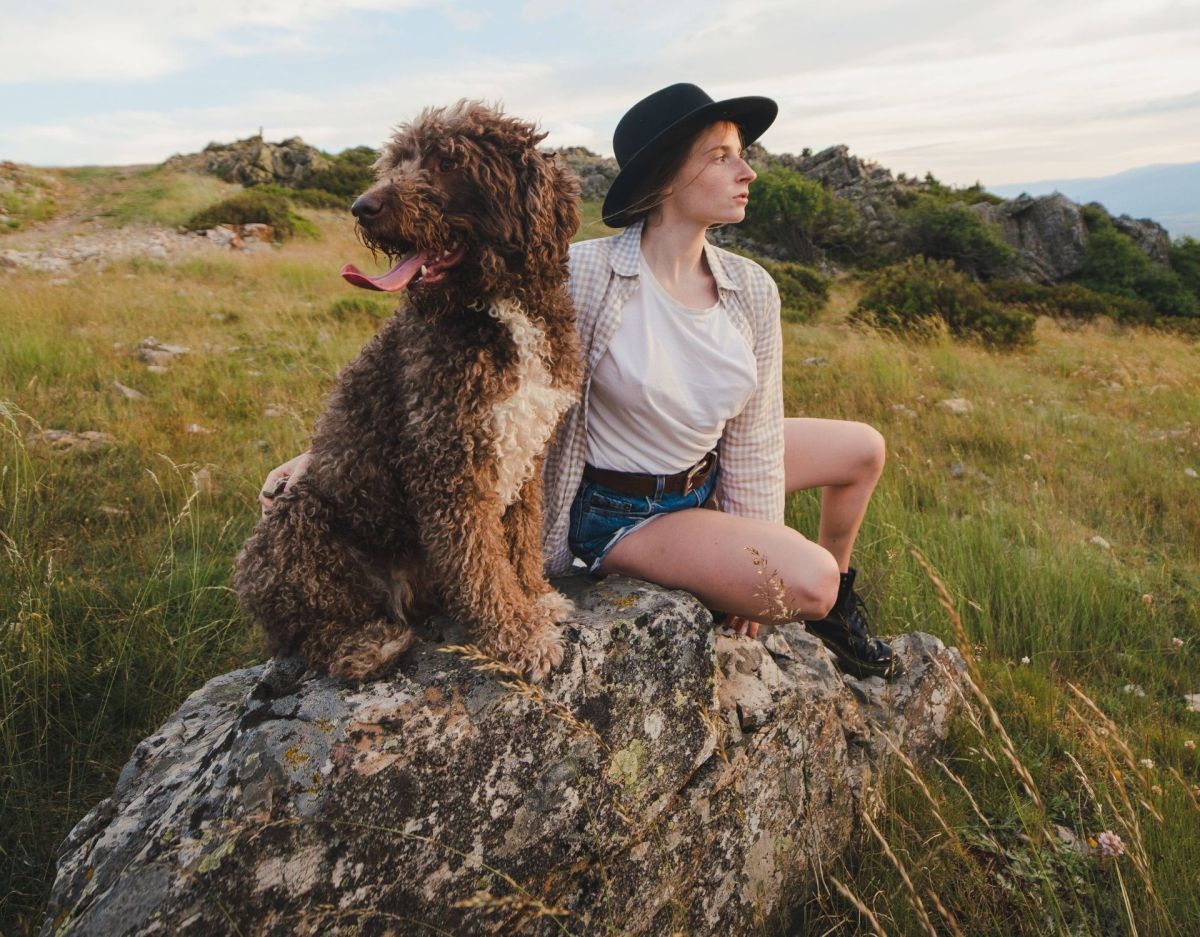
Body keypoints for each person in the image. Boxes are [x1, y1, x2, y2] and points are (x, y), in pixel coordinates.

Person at [260, 83, 897, 679]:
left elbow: (754, 438)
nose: (747, 172)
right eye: (722, 156)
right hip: (627, 507)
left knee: (863, 447)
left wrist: (752, 556)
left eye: (743, 155)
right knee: (808, 581)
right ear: (667, 175)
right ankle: (826, 593)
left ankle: (844, 603)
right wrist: (321, 455)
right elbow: (435, 390)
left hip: (705, 469)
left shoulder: (752, 288)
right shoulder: (580, 275)